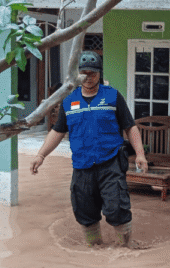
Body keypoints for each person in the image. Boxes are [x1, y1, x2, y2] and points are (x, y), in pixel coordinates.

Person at [30, 51, 148, 248]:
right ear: (78, 75)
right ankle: (95, 249)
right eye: (84, 73)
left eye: (92, 73)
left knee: (116, 207)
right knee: (84, 210)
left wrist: (140, 155)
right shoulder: (69, 101)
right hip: (82, 165)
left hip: (110, 162)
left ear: (99, 74)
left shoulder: (112, 96)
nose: (88, 77)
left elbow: (130, 126)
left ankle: (126, 249)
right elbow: (58, 131)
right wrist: (40, 155)